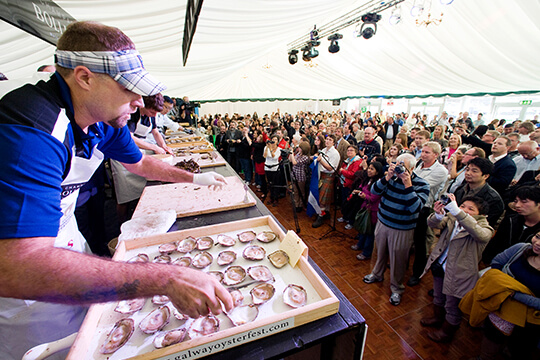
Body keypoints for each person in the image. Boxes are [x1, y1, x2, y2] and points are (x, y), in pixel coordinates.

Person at [0, 21, 233, 360]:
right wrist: (165, 278)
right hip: (29, 288)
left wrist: (194, 179)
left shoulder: (104, 118)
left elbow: (140, 163)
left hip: (68, 245)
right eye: (129, 89)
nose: (139, 101)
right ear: (84, 78)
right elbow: (19, 266)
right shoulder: (29, 132)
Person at [420, 194, 493, 343]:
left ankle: (447, 333)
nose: (465, 210)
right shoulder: (453, 218)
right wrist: (439, 215)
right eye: (462, 206)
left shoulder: (484, 227)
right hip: (440, 264)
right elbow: (433, 224)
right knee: (438, 296)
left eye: (471, 209)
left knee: (453, 305)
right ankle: (437, 318)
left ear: (482, 215)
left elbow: (482, 236)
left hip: (459, 273)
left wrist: (459, 213)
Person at [363, 153, 430, 306]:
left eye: (403, 166)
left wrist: (408, 184)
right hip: (383, 222)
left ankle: (396, 288)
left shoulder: (421, 184)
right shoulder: (390, 178)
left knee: (398, 260)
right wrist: (387, 177)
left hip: (402, 228)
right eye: (397, 164)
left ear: (412, 168)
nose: (399, 168)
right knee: (379, 252)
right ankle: (377, 274)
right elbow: (374, 191)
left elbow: (416, 208)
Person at [460, 237, 540, 360]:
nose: (537, 243)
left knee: (519, 349)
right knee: (491, 339)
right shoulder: (521, 249)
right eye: (538, 236)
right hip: (499, 309)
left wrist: (513, 294)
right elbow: (497, 261)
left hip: (527, 324)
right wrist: (498, 282)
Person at [408, 142, 449, 286]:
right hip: (409, 203)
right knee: (407, 238)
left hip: (423, 207)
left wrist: (407, 179)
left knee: (420, 242)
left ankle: (417, 272)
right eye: (423, 151)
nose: (423, 154)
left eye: (427, 152)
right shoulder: (419, 163)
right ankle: (403, 264)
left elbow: (420, 184)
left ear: (436, 155)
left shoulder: (440, 171)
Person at [482, 186, 540, 264]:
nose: (517, 205)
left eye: (524, 201)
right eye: (516, 201)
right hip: (497, 263)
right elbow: (495, 244)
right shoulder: (510, 220)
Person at [454, 157, 504, 228]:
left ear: (485, 176)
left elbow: (488, 224)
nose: (468, 173)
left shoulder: (493, 199)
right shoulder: (461, 189)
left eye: (474, 171)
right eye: (467, 170)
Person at [349, 161, 384, 260]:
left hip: (373, 210)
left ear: (377, 172)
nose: (369, 170)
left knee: (369, 231)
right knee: (363, 229)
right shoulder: (367, 180)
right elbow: (362, 188)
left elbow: (373, 198)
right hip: (365, 207)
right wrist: (358, 191)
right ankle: (360, 244)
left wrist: (365, 196)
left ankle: (366, 252)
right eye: (369, 168)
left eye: (372, 169)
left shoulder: (379, 183)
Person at [312, 135, 341, 228]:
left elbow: (331, 168)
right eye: (327, 139)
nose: (327, 141)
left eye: (330, 140)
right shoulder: (324, 150)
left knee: (322, 199)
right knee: (322, 198)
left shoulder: (335, 153)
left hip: (328, 176)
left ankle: (321, 216)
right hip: (321, 175)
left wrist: (321, 161)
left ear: (334, 142)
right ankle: (325, 213)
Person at [337, 145, 363, 228]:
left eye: (351, 150)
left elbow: (353, 174)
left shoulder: (357, 162)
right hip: (343, 183)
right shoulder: (347, 160)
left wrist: (343, 171)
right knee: (344, 202)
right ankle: (345, 217)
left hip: (350, 185)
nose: (349, 152)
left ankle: (350, 221)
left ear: (355, 152)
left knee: (350, 204)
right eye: (348, 150)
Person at [289, 141, 310, 211]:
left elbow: (294, 162)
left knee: (301, 191)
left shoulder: (305, 157)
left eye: (300, 148)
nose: (298, 149)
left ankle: (301, 205)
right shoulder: (298, 154)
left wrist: (292, 153)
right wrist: (291, 154)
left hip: (301, 177)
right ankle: (296, 204)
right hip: (295, 175)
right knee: (295, 191)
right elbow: (290, 160)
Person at [263, 135, 281, 206]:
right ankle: (271, 198)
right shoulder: (266, 147)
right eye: (272, 139)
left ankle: (276, 198)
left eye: (275, 140)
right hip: (267, 167)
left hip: (275, 168)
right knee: (270, 184)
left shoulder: (279, 149)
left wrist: (270, 149)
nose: (273, 141)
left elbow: (274, 157)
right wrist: (267, 147)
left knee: (275, 184)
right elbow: (264, 156)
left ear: (277, 141)